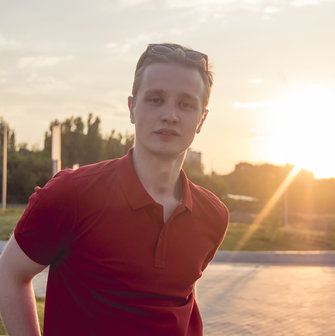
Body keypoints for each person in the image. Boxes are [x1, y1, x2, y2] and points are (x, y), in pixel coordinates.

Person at [0, 43, 229, 335]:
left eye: (186, 104)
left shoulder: (213, 215)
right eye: (156, 99)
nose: (170, 114)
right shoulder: (71, 194)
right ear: (132, 108)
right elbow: (10, 274)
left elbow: (177, 300)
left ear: (202, 119)